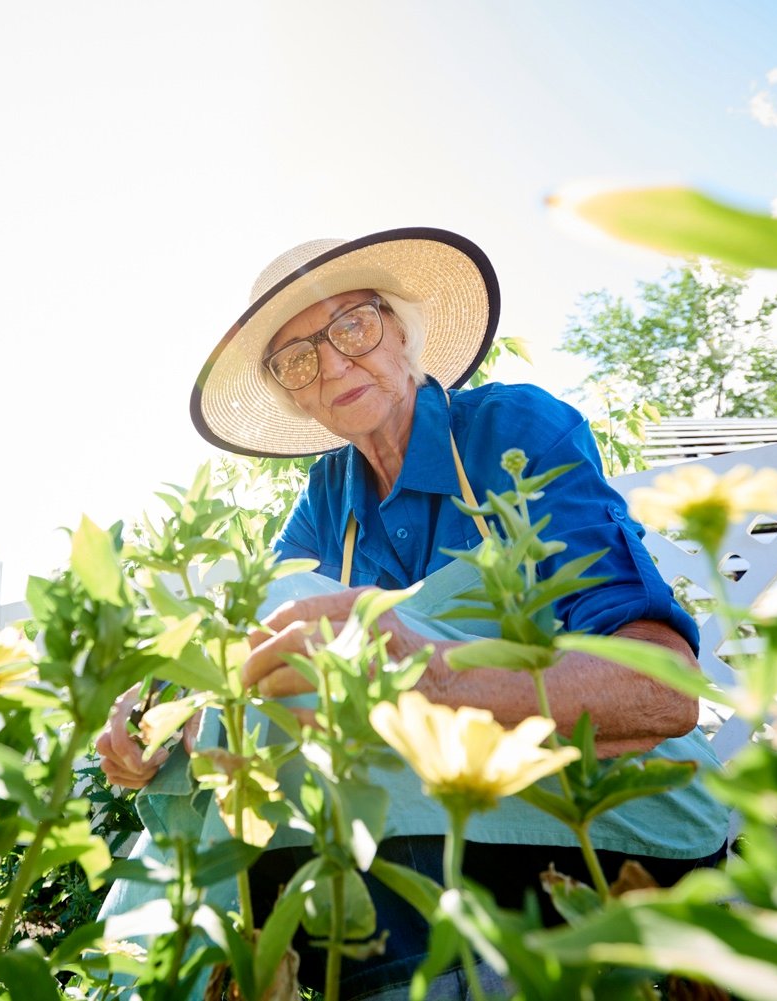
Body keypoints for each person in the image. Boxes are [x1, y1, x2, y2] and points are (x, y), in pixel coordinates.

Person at [96, 228, 729, 999]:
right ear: (294, 396)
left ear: (404, 330)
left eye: (352, 325)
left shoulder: (514, 431)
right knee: (267, 655)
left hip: (607, 814)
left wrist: (429, 676)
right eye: (298, 359)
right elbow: (251, 648)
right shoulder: (330, 499)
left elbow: (666, 690)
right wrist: (161, 715)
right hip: (436, 827)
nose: (331, 362)